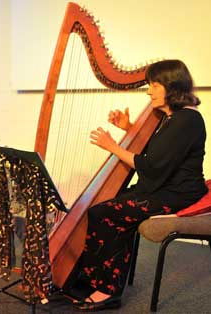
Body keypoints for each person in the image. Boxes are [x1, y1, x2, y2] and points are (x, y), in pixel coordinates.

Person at [71, 59, 208, 311]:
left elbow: (152, 166)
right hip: (162, 187)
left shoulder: (186, 120)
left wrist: (113, 146)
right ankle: (95, 279)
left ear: (172, 85)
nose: (148, 91)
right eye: (149, 85)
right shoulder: (171, 117)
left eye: (154, 85)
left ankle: (108, 290)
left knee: (104, 213)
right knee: (105, 208)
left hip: (177, 193)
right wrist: (129, 127)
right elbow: (159, 153)